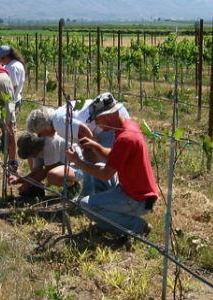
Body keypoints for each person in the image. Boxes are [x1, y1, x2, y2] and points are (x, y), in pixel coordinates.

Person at [66, 95, 158, 236]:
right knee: (97, 165)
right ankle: (111, 216)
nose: (96, 124)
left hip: (137, 199)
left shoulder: (125, 138)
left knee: (86, 204)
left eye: (97, 119)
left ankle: (137, 226)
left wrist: (78, 161)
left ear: (107, 116)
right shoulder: (127, 125)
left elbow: (106, 173)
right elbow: (115, 155)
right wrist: (96, 146)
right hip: (134, 191)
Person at [9, 132, 81, 198]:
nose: (31, 157)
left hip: (77, 167)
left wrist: (27, 184)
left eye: (30, 154)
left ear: (34, 149)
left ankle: (73, 186)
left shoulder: (49, 144)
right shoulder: (36, 150)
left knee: (52, 175)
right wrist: (19, 180)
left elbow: (46, 172)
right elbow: (36, 172)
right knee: (45, 176)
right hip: (64, 168)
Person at [0, 45, 26, 152]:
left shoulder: (12, 67)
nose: (0, 61)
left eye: (1, 59)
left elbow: (13, 86)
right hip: (12, 99)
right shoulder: (15, 64)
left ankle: (7, 148)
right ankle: (5, 146)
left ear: (6, 57)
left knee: (8, 126)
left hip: (9, 101)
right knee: (6, 125)